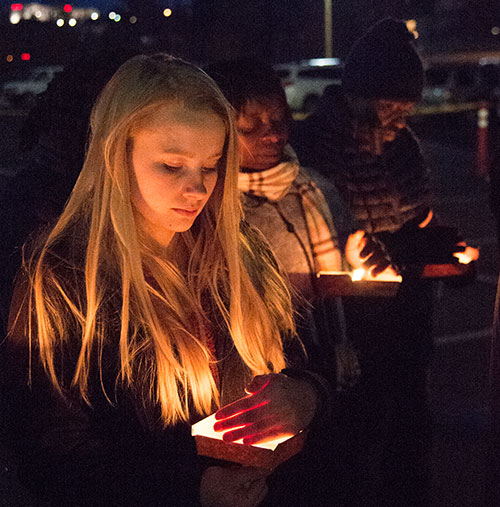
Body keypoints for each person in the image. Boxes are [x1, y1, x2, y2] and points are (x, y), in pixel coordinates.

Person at [0, 54, 325, 507]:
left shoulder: (242, 254)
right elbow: (49, 454)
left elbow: (303, 357)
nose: (196, 189)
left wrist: (305, 396)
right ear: (116, 156)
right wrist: (187, 485)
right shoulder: (64, 281)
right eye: (172, 166)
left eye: (210, 166)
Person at [292, 18, 452, 507]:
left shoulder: (405, 147)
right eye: (392, 104)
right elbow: (324, 230)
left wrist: (431, 240)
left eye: (408, 106)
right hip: (350, 320)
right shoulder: (318, 144)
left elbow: (419, 214)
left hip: (409, 313)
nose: (402, 116)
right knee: (353, 432)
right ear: (361, 94)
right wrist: (382, 248)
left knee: (408, 420)